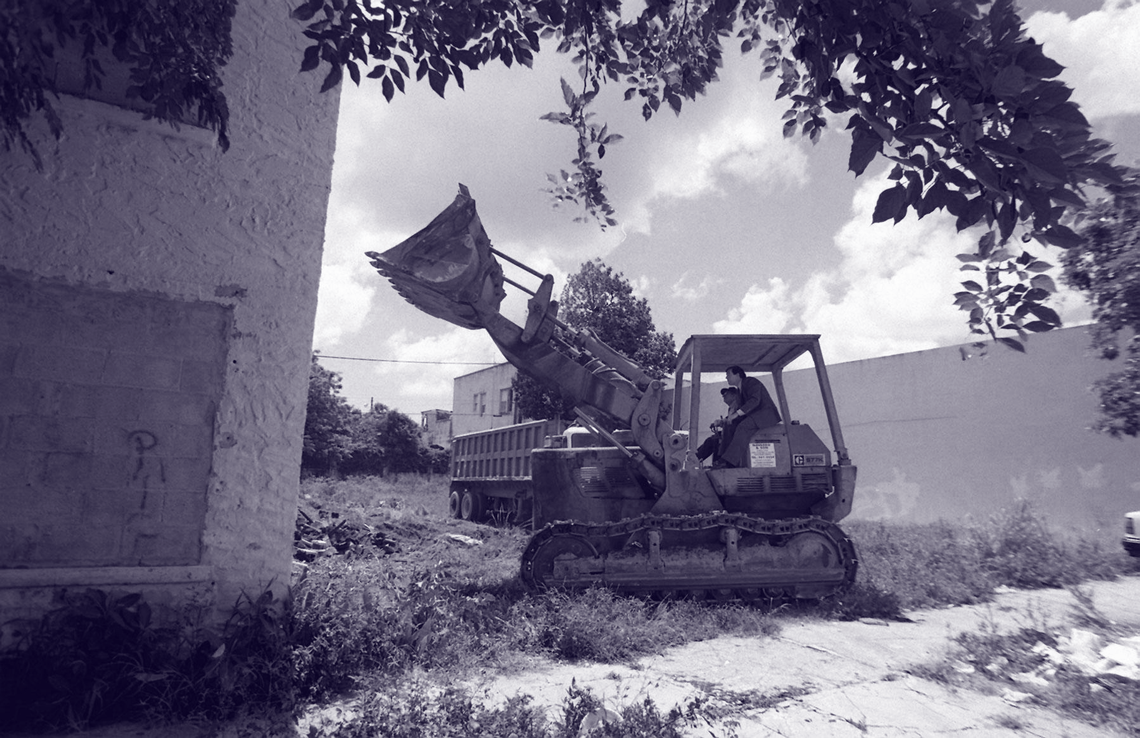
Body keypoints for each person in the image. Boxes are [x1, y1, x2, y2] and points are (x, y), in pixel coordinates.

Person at [717, 365, 782, 467]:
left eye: (728, 375)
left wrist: (735, 415)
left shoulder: (751, 382)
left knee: (744, 427)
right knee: (730, 425)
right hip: (754, 416)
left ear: (737, 374)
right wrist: (726, 420)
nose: (726, 378)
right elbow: (739, 408)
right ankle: (722, 458)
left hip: (764, 415)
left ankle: (730, 461)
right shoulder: (739, 390)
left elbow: (754, 401)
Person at [696, 387, 740, 463]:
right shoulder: (731, 407)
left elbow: (734, 420)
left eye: (726, 394)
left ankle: (695, 459)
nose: (723, 396)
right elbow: (729, 419)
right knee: (712, 440)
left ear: (734, 395)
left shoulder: (738, 406)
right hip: (730, 433)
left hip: (735, 434)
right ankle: (696, 458)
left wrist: (720, 422)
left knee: (713, 441)